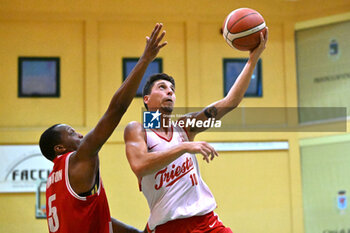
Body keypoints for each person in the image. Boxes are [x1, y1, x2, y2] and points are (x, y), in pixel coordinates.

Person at [124, 28, 268, 233]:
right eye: (162, 88)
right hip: (170, 226)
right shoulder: (138, 129)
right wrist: (184, 147)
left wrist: (253, 59)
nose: (170, 92)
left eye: (172, 90)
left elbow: (230, 102)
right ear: (146, 99)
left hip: (206, 220)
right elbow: (140, 165)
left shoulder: (183, 126)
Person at [39, 23, 167, 233]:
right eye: (71, 132)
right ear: (59, 148)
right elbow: (116, 109)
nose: (79, 133)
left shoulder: (54, 181)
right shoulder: (78, 160)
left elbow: (93, 218)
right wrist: (146, 60)